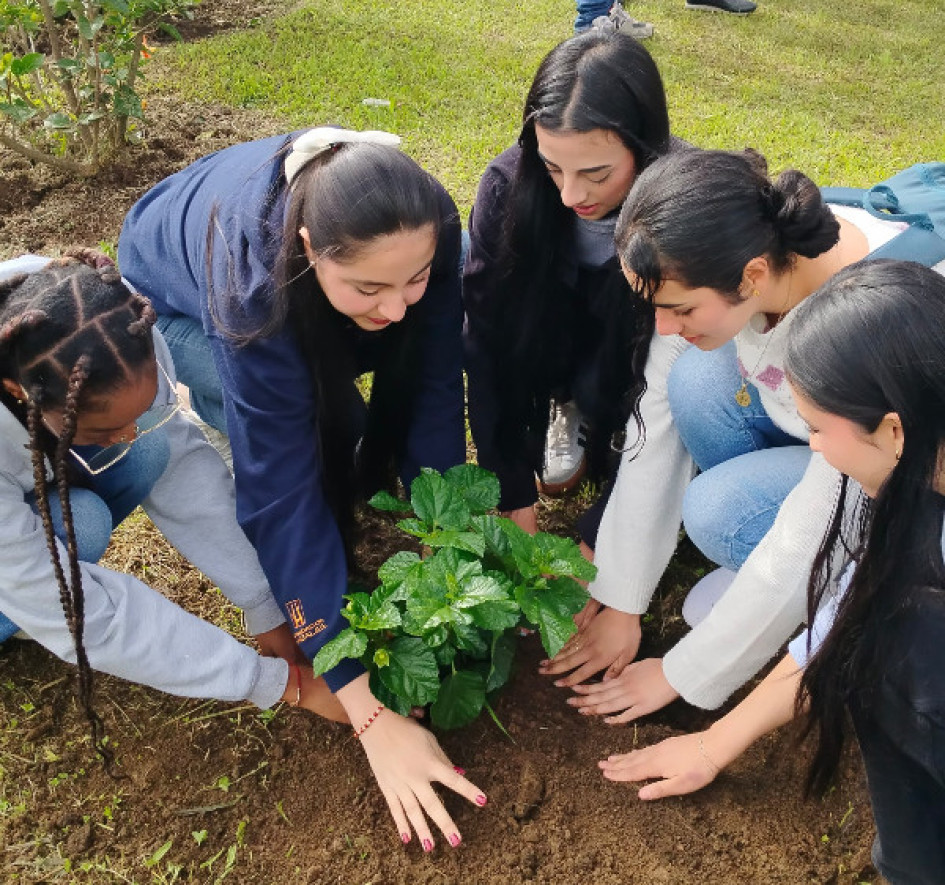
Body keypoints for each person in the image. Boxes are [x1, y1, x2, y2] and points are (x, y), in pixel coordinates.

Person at [118, 128, 484, 849]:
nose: (398, 307)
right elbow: (277, 492)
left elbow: (436, 384)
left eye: (414, 278)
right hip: (172, 298)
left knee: (385, 368)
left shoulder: (428, 224)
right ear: (312, 245)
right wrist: (363, 701)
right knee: (319, 423)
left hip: (306, 275)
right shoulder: (248, 286)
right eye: (370, 288)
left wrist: (446, 536)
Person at [597, 260, 945, 885]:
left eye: (816, 430)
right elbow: (841, 612)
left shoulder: (920, 613)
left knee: (888, 658)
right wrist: (714, 743)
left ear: (893, 430)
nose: (811, 448)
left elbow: (858, 627)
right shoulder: (919, 463)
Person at [554, 148, 913, 715]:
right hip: (826, 430)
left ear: (752, 276)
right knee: (692, 380)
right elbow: (657, 418)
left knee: (718, 511)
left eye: (679, 309)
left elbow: (823, 514)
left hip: (897, 486)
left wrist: (684, 672)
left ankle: (822, 585)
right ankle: (752, 569)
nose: (662, 326)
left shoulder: (861, 331)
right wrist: (622, 595)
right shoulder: (744, 252)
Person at [0, 253, 346, 772]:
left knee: (150, 452)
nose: (127, 433)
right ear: (17, 393)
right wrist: (279, 686)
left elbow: (182, 461)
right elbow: (97, 620)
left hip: (32, 461)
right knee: (82, 531)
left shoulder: (110, 322)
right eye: (99, 431)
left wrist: (262, 601)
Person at [464, 28, 684, 563]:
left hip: (635, 359)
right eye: (551, 166)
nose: (570, 195)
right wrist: (511, 488)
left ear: (645, 146)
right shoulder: (505, 188)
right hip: (554, 338)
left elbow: (674, 377)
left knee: (632, 409)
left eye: (596, 173)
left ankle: (603, 418)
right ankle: (568, 403)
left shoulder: (684, 203)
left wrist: (602, 534)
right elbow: (487, 340)